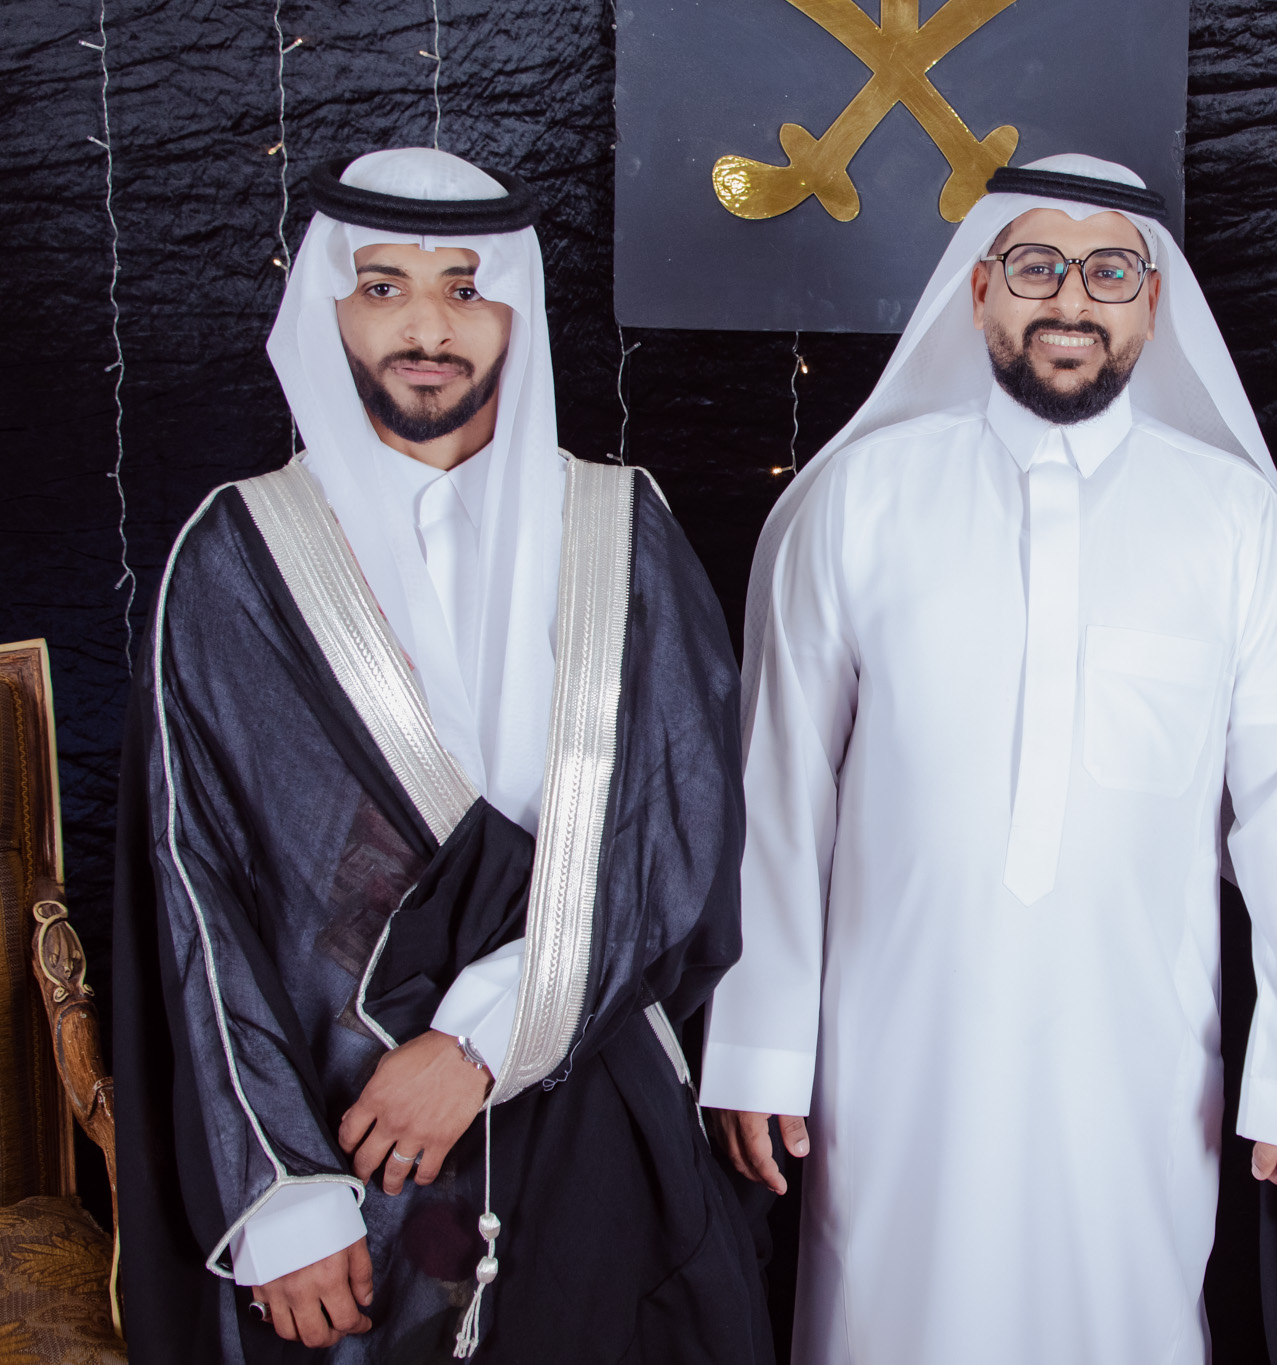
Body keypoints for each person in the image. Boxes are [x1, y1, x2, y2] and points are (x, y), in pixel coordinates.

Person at [697, 154, 1277, 1365]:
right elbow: (780, 788)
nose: (1071, 298)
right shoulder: (861, 498)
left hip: (1137, 1058)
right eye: (1035, 265)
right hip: (889, 1052)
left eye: (1109, 271)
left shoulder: (1236, 526)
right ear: (978, 293)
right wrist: (758, 1042)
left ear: (1152, 304)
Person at [112, 147, 772, 1362]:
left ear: (514, 311)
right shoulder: (237, 555)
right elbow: (198, 892)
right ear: (331, 309)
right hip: (344, 1144)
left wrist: (477, 1045)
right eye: (385, 288)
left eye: (466, 289)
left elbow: (677, 839)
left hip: (589, 1114)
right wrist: (281, 1195)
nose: (427, 327)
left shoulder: (616, 527)